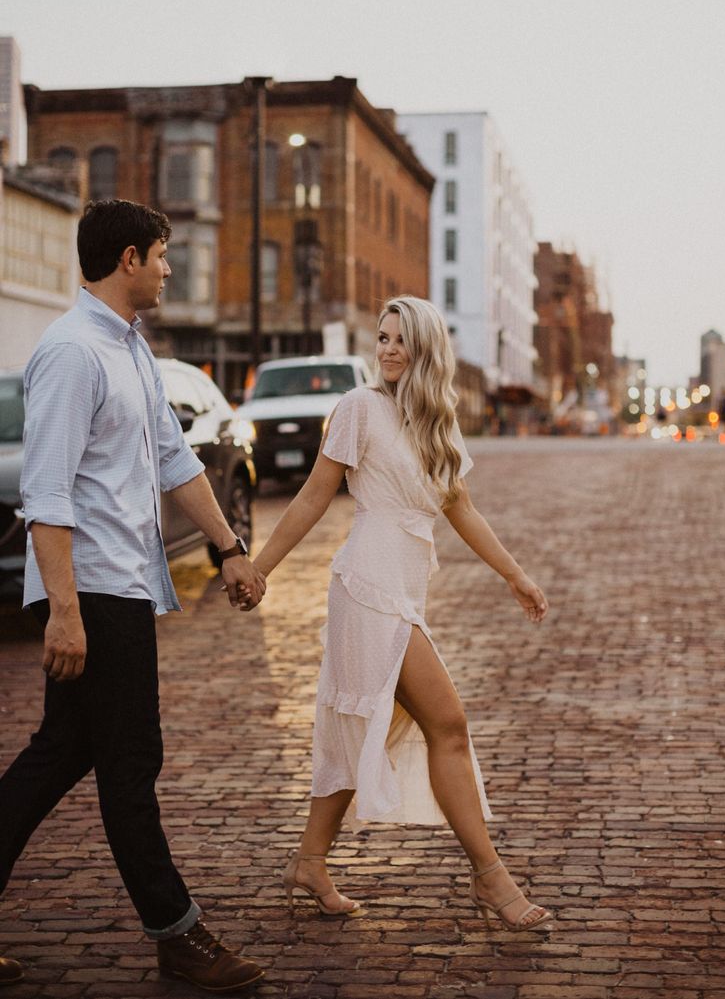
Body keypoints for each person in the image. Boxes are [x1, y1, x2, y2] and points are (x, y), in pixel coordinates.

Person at [0, 200, 266, 992]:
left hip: (123, 587)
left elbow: (176, 460)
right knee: (129, 762)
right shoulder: (74, 353)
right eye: (160, 255)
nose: (168, 268)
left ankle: (175, 932)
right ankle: (178, 932)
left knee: (62, 755)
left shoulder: (130, 349)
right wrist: (68, 613)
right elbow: (45, 494)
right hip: (95, 593)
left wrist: (230, 548)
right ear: (127, 259)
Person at [252, 295, 552, 933]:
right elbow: (312, 496)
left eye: (399, 339)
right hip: (366, 586)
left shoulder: (435, 427)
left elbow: (462, 511)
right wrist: (260, 566)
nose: (387, 348)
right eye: (382, 338)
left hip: (404, 590)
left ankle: (310, 861)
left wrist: (515, 575)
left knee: (368, 730)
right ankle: (491, 879)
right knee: (449, 723)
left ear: (425, 348)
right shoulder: (359, 408)